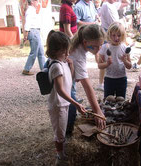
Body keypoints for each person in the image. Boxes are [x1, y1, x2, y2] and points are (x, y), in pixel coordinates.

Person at [46, 30, 86, 164]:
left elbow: (71, 79)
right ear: (54, 51)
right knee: (59, 132)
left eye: (68, 51)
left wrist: (71, 65)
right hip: (58, 104)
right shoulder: (56, 66)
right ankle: (60, 155)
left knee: (62, 129)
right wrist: (76, 103)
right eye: (64, 52)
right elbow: (60, 90)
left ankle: (61, 150)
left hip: (64, 102)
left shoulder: (63, 62)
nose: (67, 54)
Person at [69, 24, 106, 129]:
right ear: (85, 42)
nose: (98, 49)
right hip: (60, 80)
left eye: (101, 45)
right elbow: (87, 86)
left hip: (66, 78)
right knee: (69, 113)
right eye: (95, 46)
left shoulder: (80, 42)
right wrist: (98, 112)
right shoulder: (78, 55)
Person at [59, 0, 80, 136]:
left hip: (69, 45)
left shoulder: (69, 7)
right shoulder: (66, 8)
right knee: (69, 84)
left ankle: (70, 115)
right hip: (69, 44)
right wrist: (75, 44)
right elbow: (67, 30)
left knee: (71, 78)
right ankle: (68, 125)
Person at [98, 22, 132, 98]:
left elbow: (129, 66)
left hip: (122, 78)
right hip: (109, 79)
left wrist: (125, 61)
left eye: (119, 35)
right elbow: (99, 65)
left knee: (121, 100)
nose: (116, 38)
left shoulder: (124, 48)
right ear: (109, 34)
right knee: (108, 100)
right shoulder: (104, 47)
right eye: (114, 35)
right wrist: (107, 64)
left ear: (123, 35)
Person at [22, 0, 46, 75]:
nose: (38, 2)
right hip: (33, 31)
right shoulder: (30, 10)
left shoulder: (32, 10)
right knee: (34, 52)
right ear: (32, 2)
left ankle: (44, 68)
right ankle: (26, 69)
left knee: (41, 51)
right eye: (36, 1)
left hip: (35, 31)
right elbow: (28, 22)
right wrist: (26, 33)